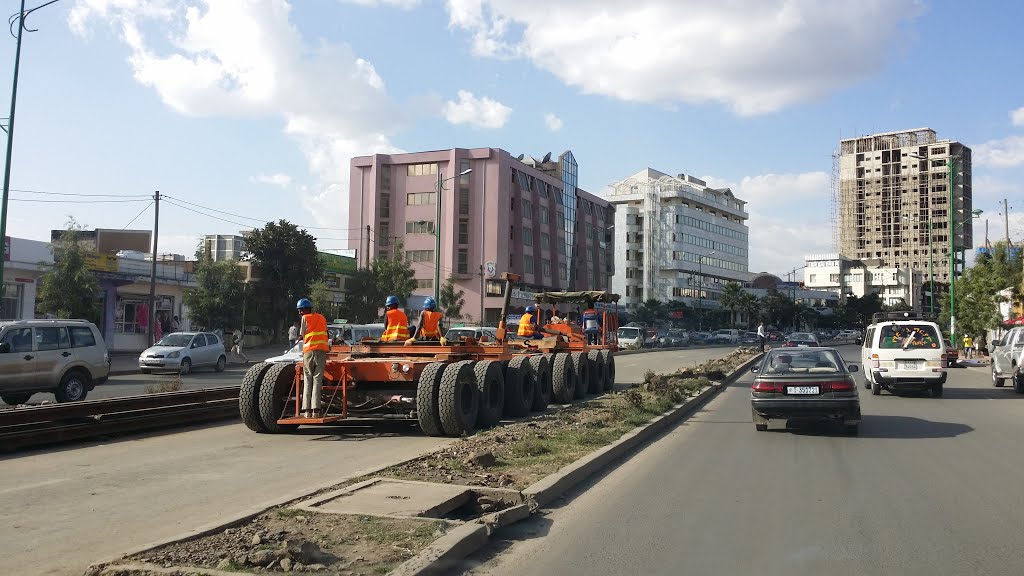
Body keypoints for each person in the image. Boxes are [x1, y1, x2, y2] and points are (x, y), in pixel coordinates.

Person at [297, 298, 329, 418]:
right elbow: (325, 332)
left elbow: (302, 335)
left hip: (309, 352)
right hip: (321, 351)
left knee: (308, 380)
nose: (300, 312)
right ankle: (316, 410)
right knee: (317, 380)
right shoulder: (322, 317)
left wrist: (300, 337)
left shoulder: (305, 318)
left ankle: (307, 411)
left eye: (301, 310)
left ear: (306, 309)